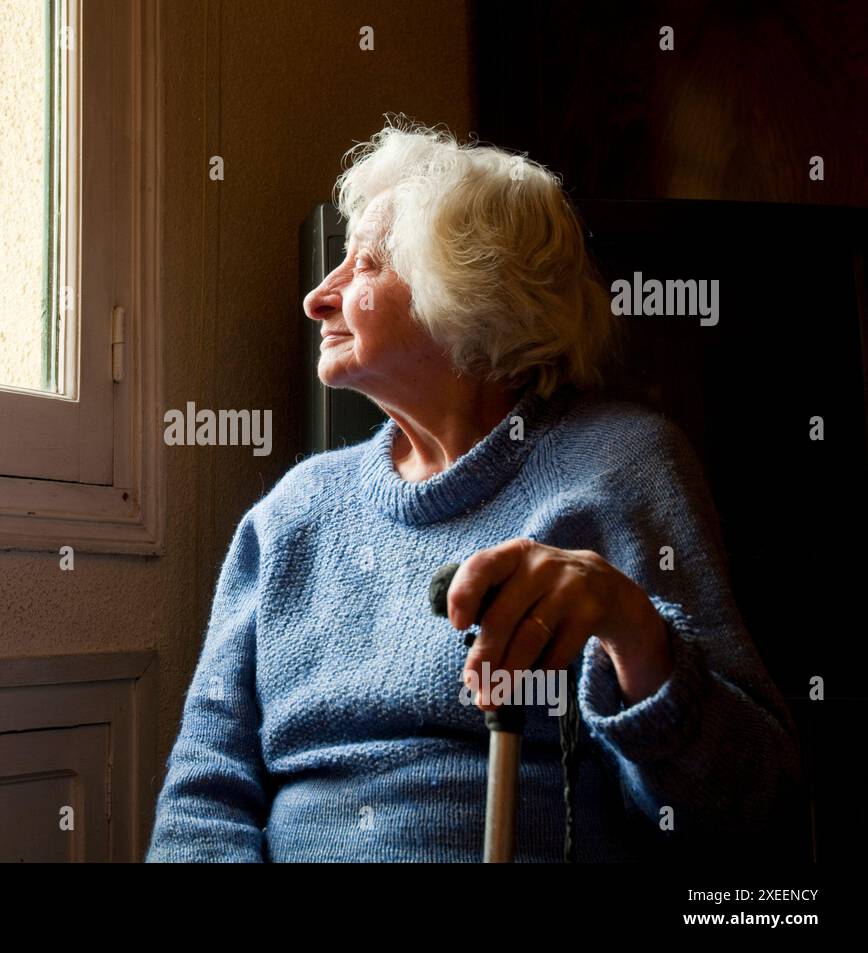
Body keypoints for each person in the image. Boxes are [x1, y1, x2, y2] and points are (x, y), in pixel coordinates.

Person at [145, 118, 802, 862]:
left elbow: (761, 815)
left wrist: (636, 632)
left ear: (470, 291)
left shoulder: (622, 468)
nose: (315, 300)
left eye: (363, 265)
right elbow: (205, 796)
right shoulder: (291, 513)